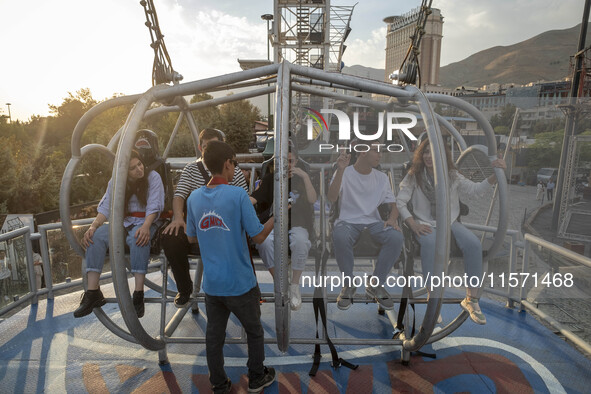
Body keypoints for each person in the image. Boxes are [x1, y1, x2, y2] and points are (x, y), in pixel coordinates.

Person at [186, 140, 276, 394]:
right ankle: (257, 376)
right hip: (240, 282)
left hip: (213, 285)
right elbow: (258, 237)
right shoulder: (237, 195)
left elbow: (192, 236)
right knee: (254, 331)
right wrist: (276, 218)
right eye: (234, 163)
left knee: (214, 338)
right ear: (228, 164)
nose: (235, 168)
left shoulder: (194, 198)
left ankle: (219, 383)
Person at [396, 139, 506, 325]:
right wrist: (413, 224)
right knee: (430, 245)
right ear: (421, 156)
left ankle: (471, 298)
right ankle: (434, 299)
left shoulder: (452, 175)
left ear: (442, 155)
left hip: (449, 221)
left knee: (472, 244)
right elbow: (400, 201)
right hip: (425, 222)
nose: (429, 157)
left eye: (433, 153)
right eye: (425, 153)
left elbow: (475, 190)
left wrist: (495, 176)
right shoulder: (414, 175)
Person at [161, 129, 249, 308]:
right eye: (208, 147)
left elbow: (244, 201)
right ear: (201, 148)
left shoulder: (232, 169)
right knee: (170, 236)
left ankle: (236, 291)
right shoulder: (192, 169)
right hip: (199, 228)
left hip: (224, 228)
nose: (212, 150)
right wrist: (178, 218)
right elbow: (179, 195)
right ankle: (185, 288)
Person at [74, 150, 165, 318]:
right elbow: (107, 205)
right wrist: (93, 226)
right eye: (133, 168)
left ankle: (138, 294)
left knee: (137, 237)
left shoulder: (153, 178)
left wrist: (146, 225)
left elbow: (154, 204)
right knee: (96, 237)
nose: (139, 169)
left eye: (140, 164)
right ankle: (93, 292)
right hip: (125, 222)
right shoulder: (116, 182)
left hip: (148, 221)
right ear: (125, 171)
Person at [327, 143, 404, 311]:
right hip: (348, 221)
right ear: (362, 151)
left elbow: (394, 206)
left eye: (381, 151)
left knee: (396, 237)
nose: (380, 155)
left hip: (373, 222)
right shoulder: (344, 173)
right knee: (340, 235)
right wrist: (340, 170)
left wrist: (392, 219)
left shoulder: (381, 177)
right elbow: (331, 198)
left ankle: (376, 284)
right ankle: (348, 284)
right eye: (376, 150)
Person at [250, 142, 317, 311]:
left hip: (298, 223)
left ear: (297, 161)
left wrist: (305, 177)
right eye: (283, 161)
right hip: (274, 223)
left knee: (301, 241)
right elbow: (254, 199)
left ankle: (294, 285)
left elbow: (312, 200)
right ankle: (281, 283)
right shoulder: (270, 180)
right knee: (263, 243)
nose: (287, 165)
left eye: (291, 161)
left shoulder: (303, 180)